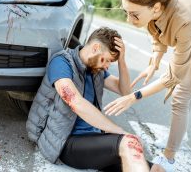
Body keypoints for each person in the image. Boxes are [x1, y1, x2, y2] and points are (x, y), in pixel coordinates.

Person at [104, 0, 191, 171]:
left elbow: (174, 76)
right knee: (183, 91)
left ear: (157, 7)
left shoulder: (184, 19)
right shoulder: (153, 4)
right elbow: (154, 29)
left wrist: (134, 97)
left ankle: (168, 158)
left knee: (181, 92)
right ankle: (179, 135)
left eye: (134, 14)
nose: (128, 20)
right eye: (126, 12)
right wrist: (155, 61)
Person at [26, 27, 151, 172]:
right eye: (106, 60)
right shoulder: (62, 62)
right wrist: (119, 131)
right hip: (66, 142)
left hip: (94, 139)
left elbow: (125, 91)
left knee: (156, 169)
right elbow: (76, 103)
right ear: (95, 48)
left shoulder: (96, 70)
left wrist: (121, 61)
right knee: (129, 143)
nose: (107, 66)